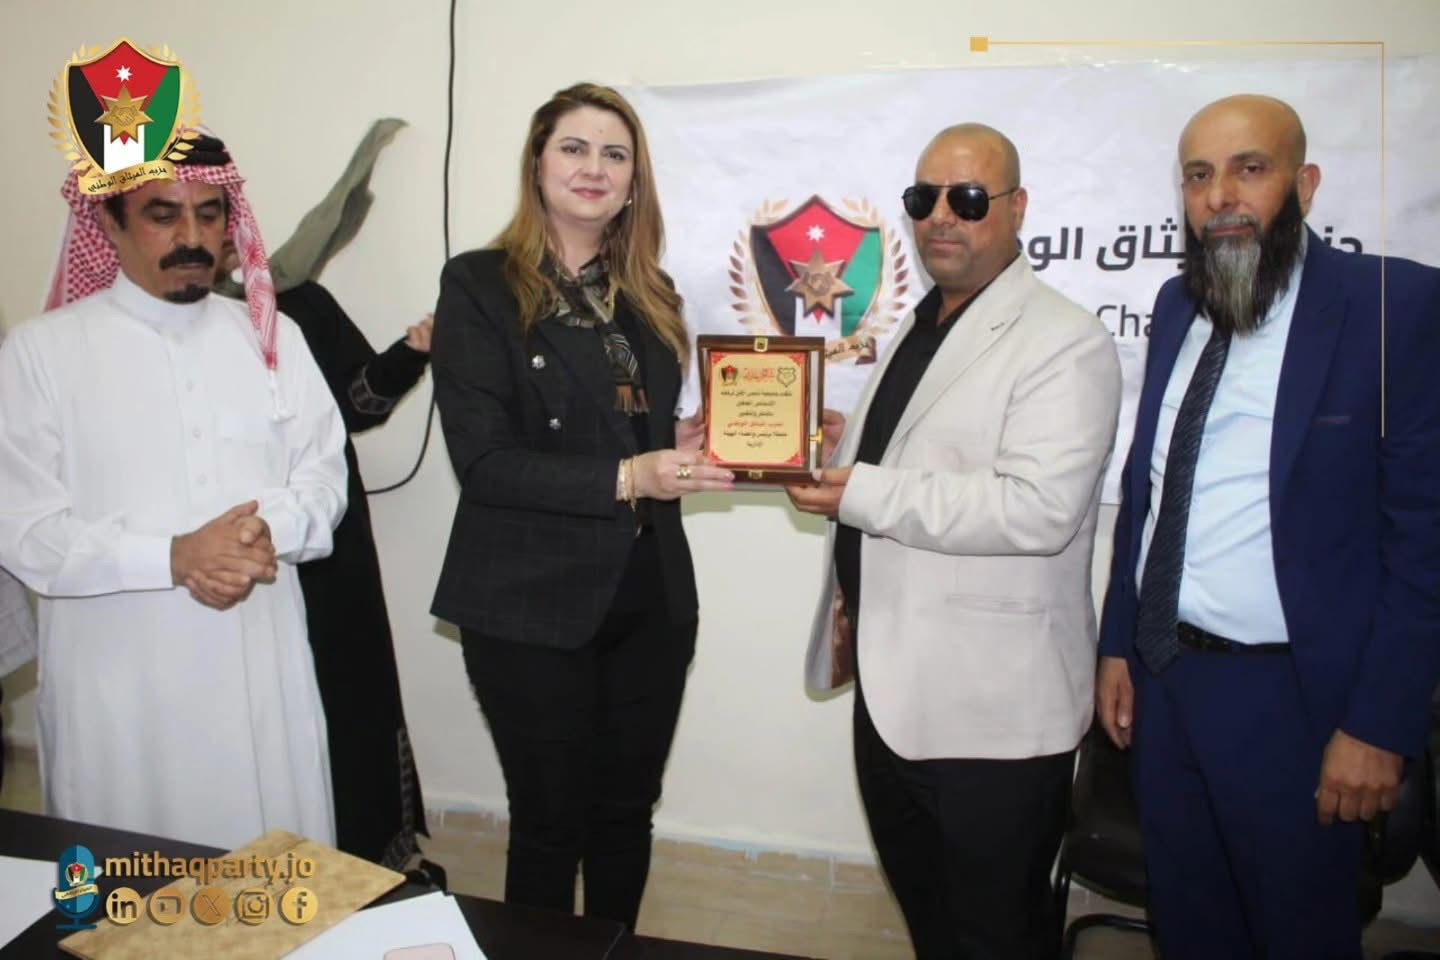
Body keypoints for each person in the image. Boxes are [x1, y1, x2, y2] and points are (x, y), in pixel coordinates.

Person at [1095, 95, 1440, 959]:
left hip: (1297, 706)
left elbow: (1426, 544)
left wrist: (1381, 725)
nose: (1221, 196)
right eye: (1199, 176)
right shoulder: (1177, 302)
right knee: (1191, 929)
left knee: (1298, 936)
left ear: (1305, 184)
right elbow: (1148, 491)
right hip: (1167, 685)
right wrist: (1118, 643)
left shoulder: (1393, 306)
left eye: (1250, 169)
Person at [788, 124, 1121, 959]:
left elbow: (1037, 508)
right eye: (923, 197)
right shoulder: (922, 323)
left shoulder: (1065, 339)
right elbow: (917, 458)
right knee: (934, 929)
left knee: (995, 938)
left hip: (991, 718)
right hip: (893, 693)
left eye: (968, 199)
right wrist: (835, 445)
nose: (941, 216)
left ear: (1017, 207)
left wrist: (860, 488)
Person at [429, 82, 733, 929]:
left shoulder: (653, 294)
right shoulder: (480, 284)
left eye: (615, 154)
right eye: (574, 147)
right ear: (538, 164)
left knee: (626, 814)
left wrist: (701, 436)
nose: (594, 168)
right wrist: (633, 475)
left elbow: (635, 426)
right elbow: (485, 462)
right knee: (550, 821)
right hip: (529, 601)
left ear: (635, 182)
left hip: (649, 596)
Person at [0, 134, 347, 849]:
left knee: (269, 883)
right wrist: (173, 557)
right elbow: (23, 527)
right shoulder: (41, 352)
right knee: (128, 887)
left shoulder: (274, 338)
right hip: (119, 687)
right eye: (163, 215)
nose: (192, 237)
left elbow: (323, 477)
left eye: (209, 214)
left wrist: (263, 533)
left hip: (258, 669)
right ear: (109, 223)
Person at [219, 152, 434, 868]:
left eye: (215, 215)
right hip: (220, 552)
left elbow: (356, 404)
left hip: (326, 543)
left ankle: (371, 855)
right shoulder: (139, 336)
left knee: (348, 686)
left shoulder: (298, 305)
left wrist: (410, 352)